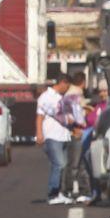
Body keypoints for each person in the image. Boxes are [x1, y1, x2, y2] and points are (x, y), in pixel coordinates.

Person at [36, 73, 74, 205]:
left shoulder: (61, 98)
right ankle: (52, 194)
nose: (67, 89)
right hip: (52, 136)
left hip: (63, 135)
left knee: (62, 165)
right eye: (67, 86)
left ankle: (59, 192)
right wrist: (39, 133)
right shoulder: (46, 97)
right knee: (59, 164)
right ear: (62, 82)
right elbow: (40, 116)